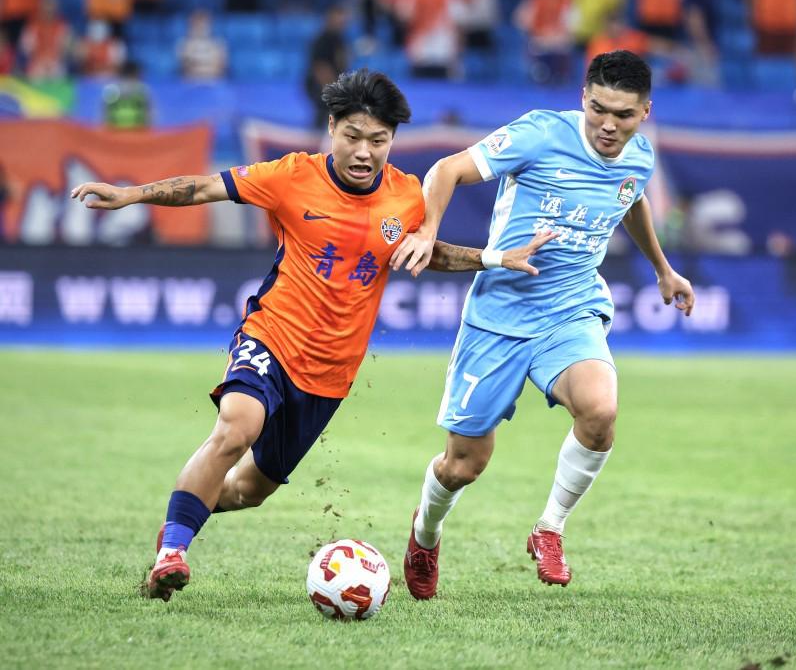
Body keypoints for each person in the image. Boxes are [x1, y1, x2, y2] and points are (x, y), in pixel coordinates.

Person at [69, 69, 552, 602]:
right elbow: (206, 187)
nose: (364, 152)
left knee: (249, 491)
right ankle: (172, 553)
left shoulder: (407, 196)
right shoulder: (290, 176)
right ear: (331, 129)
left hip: (329, 375)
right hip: (271, 336)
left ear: (392, 140)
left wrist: (493, 258)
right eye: (353, 136)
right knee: (237, 428)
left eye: (378, 140)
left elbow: (424, 252)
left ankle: (184, 516)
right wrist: (130, 195)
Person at [389, 50, 695, 600]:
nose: (608, 125)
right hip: (499, 316)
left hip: (570, 308)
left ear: (645, 112)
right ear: (583, 97)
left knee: (600, 411)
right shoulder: (539, 134)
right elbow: (447, 170)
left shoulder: (639, 156)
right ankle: (425, 534)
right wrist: (428, 231)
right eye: (599, 109)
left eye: (623, 115)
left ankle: (549, 528)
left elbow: (630, 200)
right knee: (464, 465)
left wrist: (663, 269)